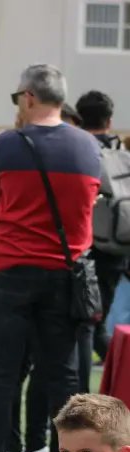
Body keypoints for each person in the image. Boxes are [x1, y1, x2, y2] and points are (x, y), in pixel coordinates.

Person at [0, 65, 101, 452]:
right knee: (63, 378)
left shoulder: (9, 143)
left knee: (1, 376)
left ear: (28, 97)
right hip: (65, 273)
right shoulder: (87, 146)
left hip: (12, 271)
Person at [77, 90, 127, 376]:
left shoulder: (79, 151)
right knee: (97, 322)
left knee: (84, 328)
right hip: (116, 249)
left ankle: (84, 390)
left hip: (83, 248)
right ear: (109, 121)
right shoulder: (122, 153)